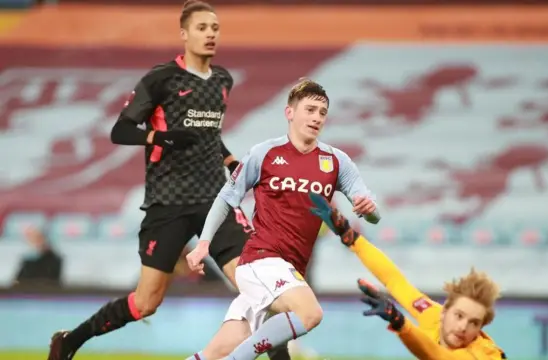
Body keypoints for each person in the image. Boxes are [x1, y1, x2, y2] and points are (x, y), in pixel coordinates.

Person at [47, 1, 291, 359]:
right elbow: (120, 130)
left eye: (215, 28)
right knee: (145, 303)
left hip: (215, 200)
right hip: (168, 203)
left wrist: (230, 160)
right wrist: (158, 138)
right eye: (202, 27)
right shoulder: (160, 80)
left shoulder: (223, 81)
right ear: (184, 34)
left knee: (259, 290)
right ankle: (70, 341)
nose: (210, 34)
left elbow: (209, 133)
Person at [184, 78, 380, 360]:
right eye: (310, 110)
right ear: (290, 113)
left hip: (288, 270)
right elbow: (226, 197)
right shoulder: (265, 153)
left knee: (214, 353)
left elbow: (373, 215)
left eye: (322, 112)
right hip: (260, 260)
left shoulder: (337, 161)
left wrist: (369, 209)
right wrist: (203, 244)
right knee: (309, 313)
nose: (316, 118)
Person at [308, 193, 506, 360]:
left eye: (474, 323)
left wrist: (401, 323)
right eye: (459, 316)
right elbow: (394, 280)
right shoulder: (432, 316)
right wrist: (349, 236)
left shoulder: (484, 354)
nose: (464, 327)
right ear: (444, 310)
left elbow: (438, 356)